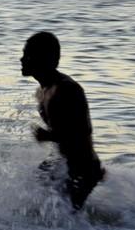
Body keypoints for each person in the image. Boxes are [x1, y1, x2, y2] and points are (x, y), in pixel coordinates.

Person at [21, 31, 105, 210]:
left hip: (82, 169)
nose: (21, 59)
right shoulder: (42, 90)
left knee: (64, 225)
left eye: (27, 55)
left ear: (44, 59)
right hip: (61, 164)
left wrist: (49, 136)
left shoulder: (66, 89)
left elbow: (82, 132)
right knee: (33, 207)